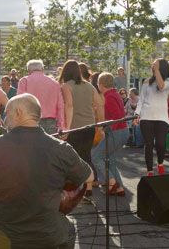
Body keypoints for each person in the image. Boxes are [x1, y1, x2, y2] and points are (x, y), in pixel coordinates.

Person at [0, 94, 94, 248]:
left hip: (5, 233)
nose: (4, 120)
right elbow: (89, 177)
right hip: (48, 233)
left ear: (18, 113)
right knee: (68, 228)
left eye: (7, 114)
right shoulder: (60, 148)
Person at [59, 60, 104, 203]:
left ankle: (72, 194)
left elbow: (70, 106)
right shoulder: (89, 86)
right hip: (89, 127)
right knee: (86, 158)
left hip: (75, 128)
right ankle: (88, 192)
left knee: (71, 160)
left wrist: (67, 129)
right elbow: (100, 104)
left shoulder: (67, 86)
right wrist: (101, 125)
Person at [135, 59, 169, 176]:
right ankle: (150, 170)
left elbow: (161, 86)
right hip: (146, 116)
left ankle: (160, 163)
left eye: (155, 65)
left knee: (161, 144)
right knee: (149, 144)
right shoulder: (147, 81)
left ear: (161, 67)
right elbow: (141, 99)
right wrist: (137, 114)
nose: (152, 66)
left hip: (161, 117)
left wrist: (156, 70)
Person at [92, 73, 128, 196]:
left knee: (96, 156)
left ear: (101, 85)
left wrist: (105, 130)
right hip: (123, 131)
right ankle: (119, 188)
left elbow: (117, 117)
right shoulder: (115, 94)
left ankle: (111, 182)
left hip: (117, 132)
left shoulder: (109, 96)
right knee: (110, 159)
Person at [16, 59, 66, 134]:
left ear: (28, 71)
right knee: (49, 145)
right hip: (51, 122)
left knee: (32, 145)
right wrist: (62, 125)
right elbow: (60, 105)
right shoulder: (55, 83)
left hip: (31, 120)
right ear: (43, 70)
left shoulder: (24, 81)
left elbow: (20, 102)